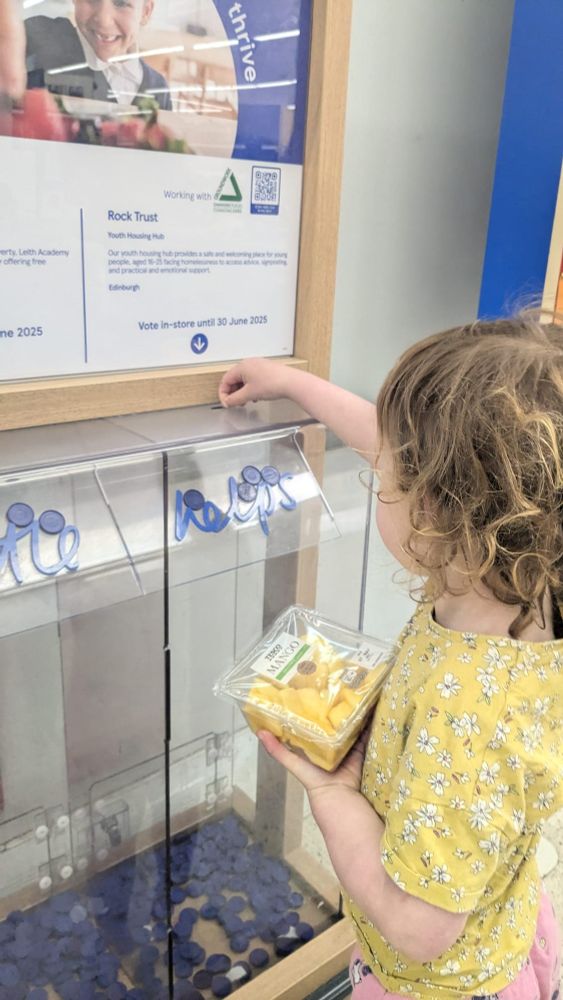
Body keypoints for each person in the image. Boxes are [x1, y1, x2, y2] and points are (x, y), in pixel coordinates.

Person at [218, 314, 563, 1000]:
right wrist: (292, 383)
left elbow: (417, 927)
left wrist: (331, 796)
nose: (379, 470)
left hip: (433, 984)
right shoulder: (532, 586)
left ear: (436, 508)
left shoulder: (466, 707)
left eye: (388, 476)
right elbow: (391, 438)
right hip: (501, 916)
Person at [0, 0, 171, 109]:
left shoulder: (158, 88)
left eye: (121, 3)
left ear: (145, 12)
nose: (103, 19)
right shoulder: (38, 38)